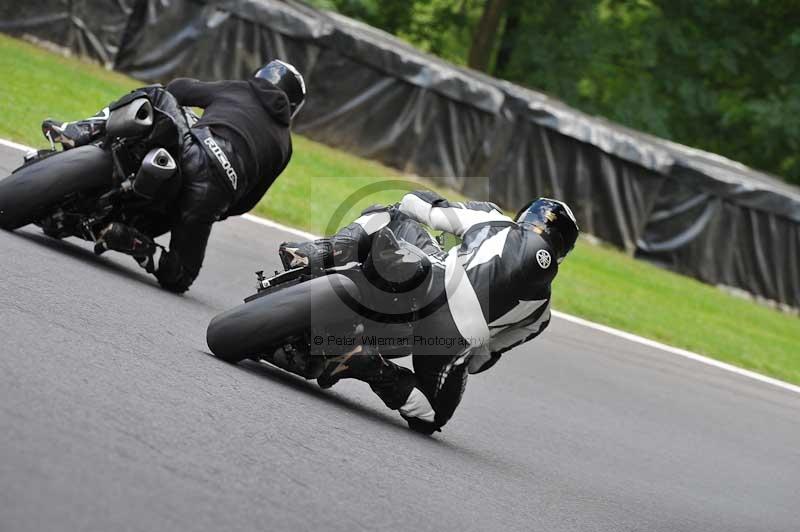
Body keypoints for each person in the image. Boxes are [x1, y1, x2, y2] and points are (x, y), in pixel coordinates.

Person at [279, 190, 579, 433]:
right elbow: (480, 362)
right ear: (563, 252)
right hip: (453, 338)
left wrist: (414, 205)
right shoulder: (541, 315)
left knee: (387, 213)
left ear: (525, 215)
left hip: (432, 281)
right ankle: (369, 363)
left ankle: (317, 254)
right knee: (432, 417)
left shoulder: (493, 218)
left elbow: (420, 207)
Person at [41, 60, 305, 293]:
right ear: (293, 106)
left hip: (192, 151)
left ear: (261, 76)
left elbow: (178, 88)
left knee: (156, 93)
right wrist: (210, 210)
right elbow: (248, 201)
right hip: (216, 194)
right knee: (180, 276)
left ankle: (80, 130)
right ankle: (138, 244)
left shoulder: (241, 89)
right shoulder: (285, 145)